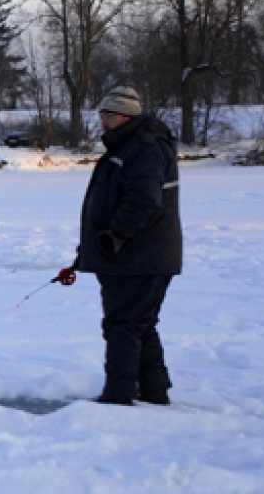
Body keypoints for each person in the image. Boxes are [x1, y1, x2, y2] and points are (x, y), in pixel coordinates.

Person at [57, 87, 182, 406]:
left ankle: (119, 394)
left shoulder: (143, 148)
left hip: (138, 257)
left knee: (123, 326)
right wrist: (90, 248)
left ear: (126, 117)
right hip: (134, 256)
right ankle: (154, 391)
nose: (103, 123)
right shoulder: (129, 145)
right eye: (102, 116)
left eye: (109, 117)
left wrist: (115, 237)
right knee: (139, 323)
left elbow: (144, 201)